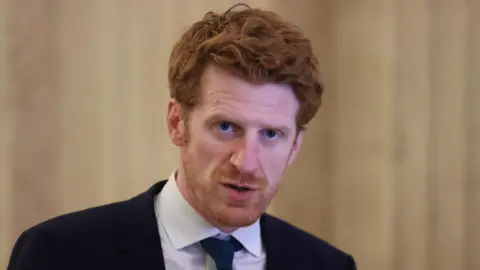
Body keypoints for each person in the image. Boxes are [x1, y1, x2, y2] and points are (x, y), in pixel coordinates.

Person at [7, 3, 356, 270]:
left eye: (271, 134)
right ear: (177, 123)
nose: (246, 162)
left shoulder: (327, 266)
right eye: (226, 127)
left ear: (295, 145)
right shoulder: (59, 254)